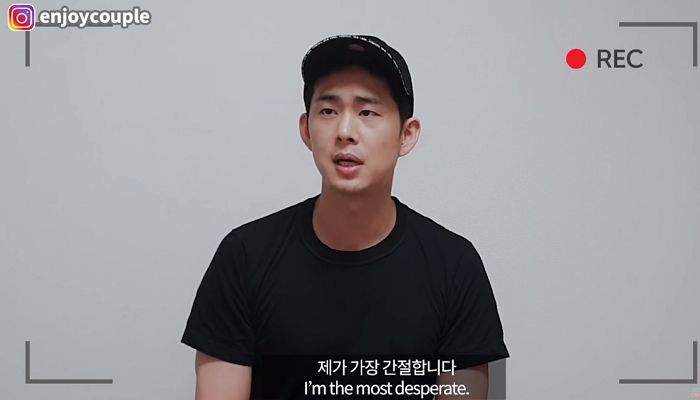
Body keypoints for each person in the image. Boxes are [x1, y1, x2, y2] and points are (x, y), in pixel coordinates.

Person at [181, 34, 509, 400]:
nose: (345, 132)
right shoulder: (245, 257)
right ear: (306, 129)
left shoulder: (455, 267)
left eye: (367, 112)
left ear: (407, 135)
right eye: (328, 111)